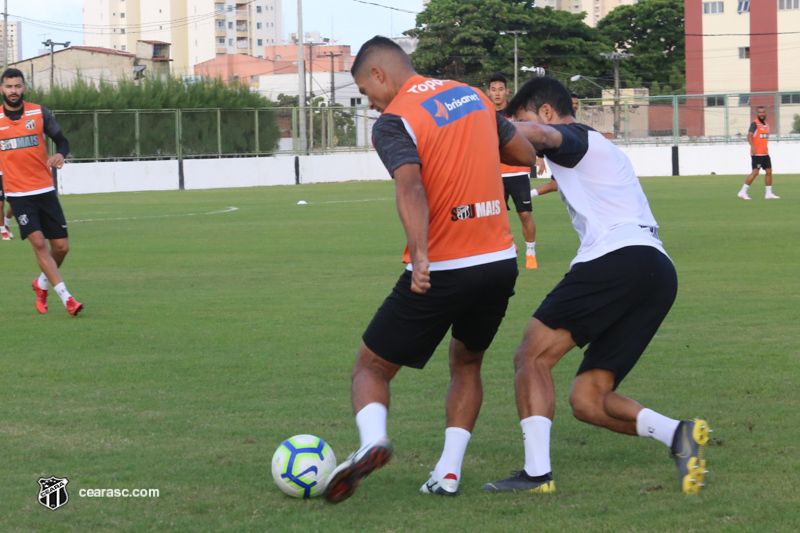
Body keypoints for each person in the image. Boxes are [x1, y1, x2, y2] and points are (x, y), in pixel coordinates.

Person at [324, 37, 537, 504]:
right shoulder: (474, 96)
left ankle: (373, 441)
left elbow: (411, 186)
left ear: (380, 74)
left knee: (371, 366)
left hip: (444, 264)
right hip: (499, 262)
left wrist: (420, 254)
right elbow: (523, 156)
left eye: (365, 91)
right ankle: (448, 471)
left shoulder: (395, 120)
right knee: (467, 363)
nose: (369, 101)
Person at [482, 77, 710, 496]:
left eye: (521, 120)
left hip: (617, 259)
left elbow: (542, 135)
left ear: (546, 111)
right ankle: (678, 434)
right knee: (588, 400)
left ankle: (536, 476)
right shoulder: (594, 147)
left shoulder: (571, 136)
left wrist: (479, 125)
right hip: (656, 271)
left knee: (530, 356)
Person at [0, 68, 83, 315]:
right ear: (2, 89)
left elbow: (63, 141)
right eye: (8, 86)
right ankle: (67, 298)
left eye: (17, 86)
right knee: (39, 244)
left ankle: (41, 283)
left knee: (61, 248)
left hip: (44, 189)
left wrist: (60, 154)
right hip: (17, 193)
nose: (13, 91)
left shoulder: (39, 113)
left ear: (24, 87)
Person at [487, 72, 545, 269]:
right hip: (494, 174)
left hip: (518, 172)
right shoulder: (484, 112)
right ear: (488, 92)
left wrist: (540, 155)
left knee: (525, 214)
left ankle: (531, 252)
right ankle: (507, 246)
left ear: (507, 91)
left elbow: (533, 131)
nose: (497, 93)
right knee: (494, 216)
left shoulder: (516, 112)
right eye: (493, 89)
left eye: (500, 89)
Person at [738, 106, 779, 200]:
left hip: (765, 153)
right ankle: (742, 192)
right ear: (757, 114)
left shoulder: (766, 125)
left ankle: (769, 193)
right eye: (760, 112)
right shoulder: (754, 124)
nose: (762, 114)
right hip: (757, 154)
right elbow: (749, 136)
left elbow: (763, 139)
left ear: (765, 113)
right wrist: (753, 147)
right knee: (755, 172)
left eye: (763, 112)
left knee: (769, 171)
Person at [0, 169, 15, 240]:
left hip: (10, 174)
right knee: (0, 204)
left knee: (15, 202)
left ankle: (5, 223)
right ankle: (3, 230)